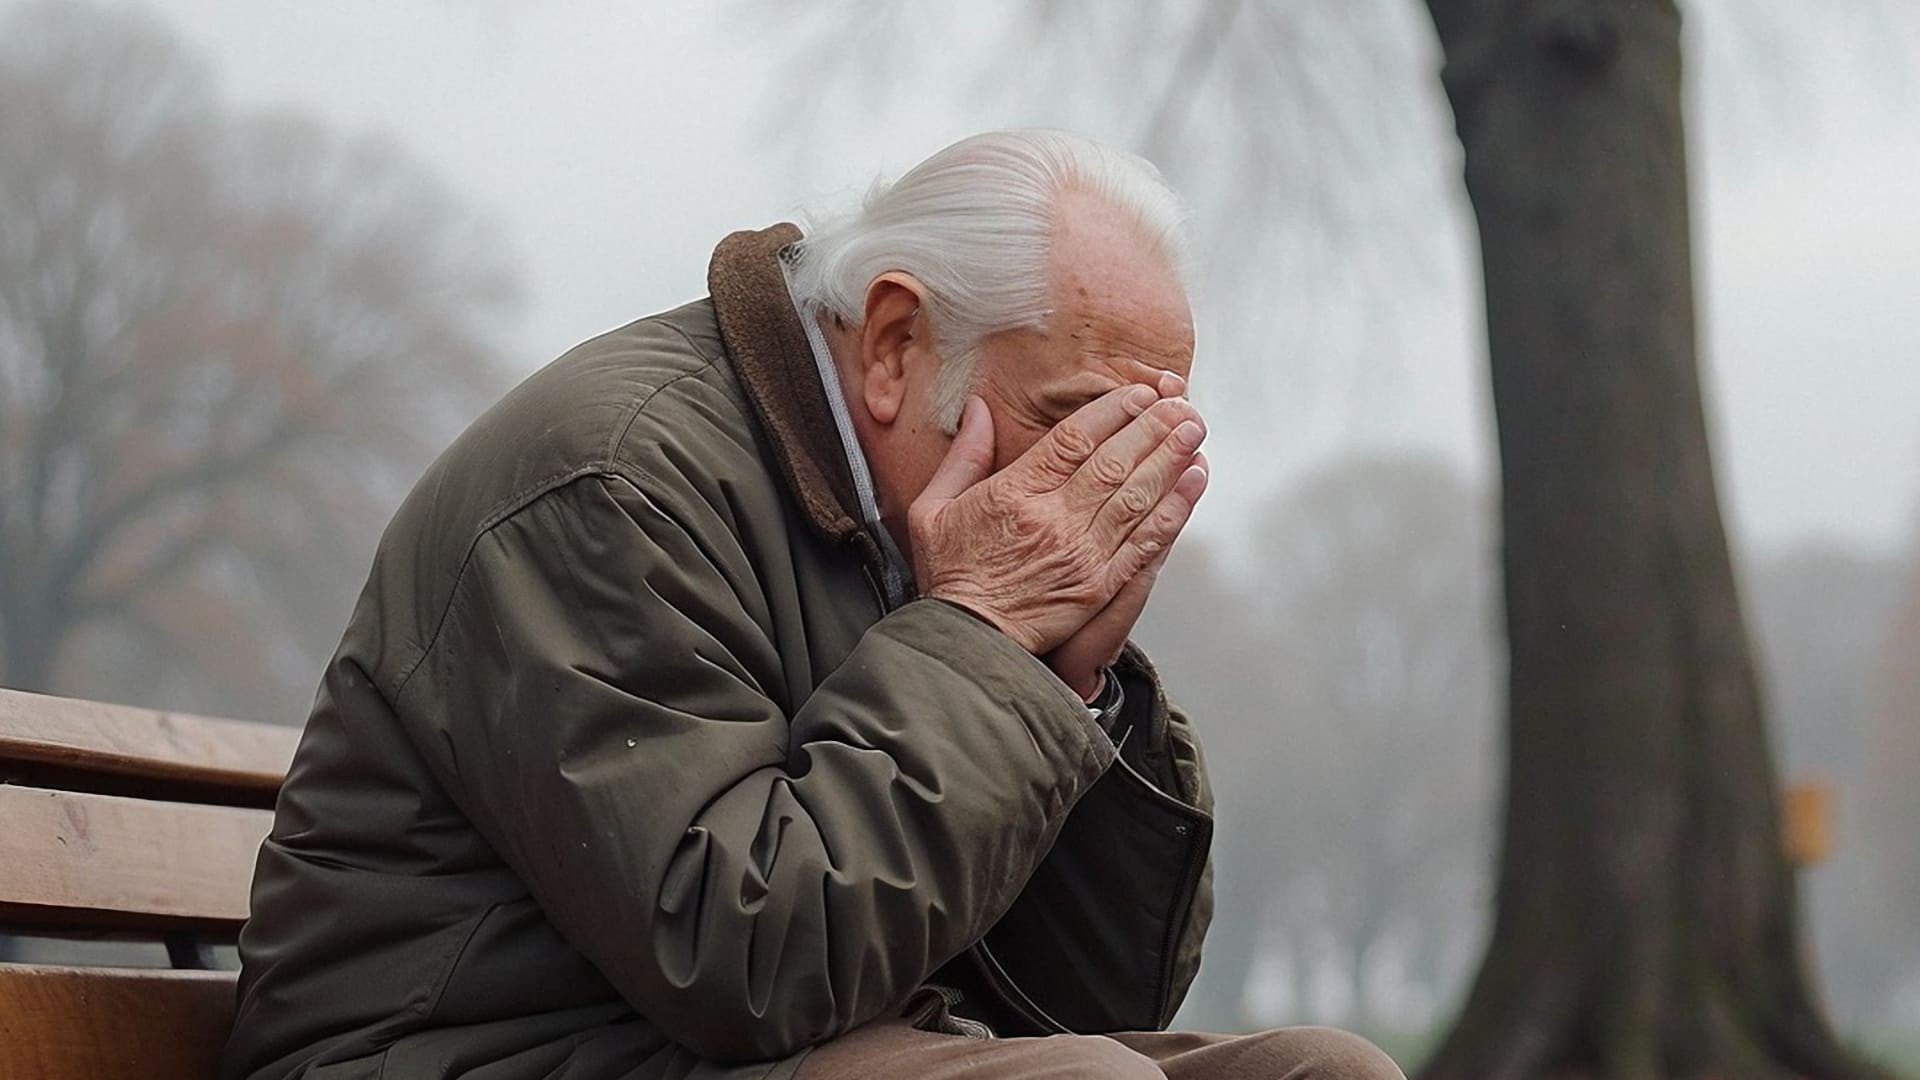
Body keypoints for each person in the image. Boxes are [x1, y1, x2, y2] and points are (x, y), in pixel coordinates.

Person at [224, 129, 1403, 1080]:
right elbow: (741, 961)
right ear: (894, 344)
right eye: (1079, 422)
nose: (1108, 486)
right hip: (481, 1052)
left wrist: (1067, 690)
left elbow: (1086, 997)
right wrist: (986, 642)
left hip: (765, 1039)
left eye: (1143, 439)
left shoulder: (908, 510)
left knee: (1320, 1069)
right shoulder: (610, 484)